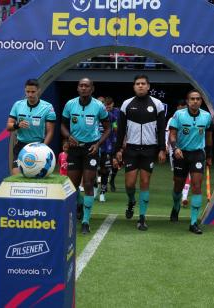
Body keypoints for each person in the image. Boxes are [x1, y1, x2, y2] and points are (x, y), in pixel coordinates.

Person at [115, 75, 167, 231]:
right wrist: (118, 149)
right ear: (134, 86)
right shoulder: (126, 104)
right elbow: (121, 130)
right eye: (137, 84)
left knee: (144, 183)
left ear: (148, 86)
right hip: (131, 149)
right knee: (129, 184)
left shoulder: (157, 104)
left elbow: (161, 129)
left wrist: (162, 149)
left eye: (143, 83)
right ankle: (131, 201)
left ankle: (142, 218)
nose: (140, 86)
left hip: (149, 149)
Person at [61, 78, 110, 234]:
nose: (83, 88)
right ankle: (80, 204)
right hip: (75, 149)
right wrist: (68, 137)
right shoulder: (70, 104)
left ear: (92, 88)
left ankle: (85, 222)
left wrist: (98, 145)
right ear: (77, 88)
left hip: (91, 149)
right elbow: (62, 125)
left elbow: (108, 129)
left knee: (88, 183)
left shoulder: (99, 106)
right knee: (72, 186)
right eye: (81, 86)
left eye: (86, 86)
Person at [168, 90, 213, 234]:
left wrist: (210, 156)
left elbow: (209, 137)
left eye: (198, 99)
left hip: (198, 154)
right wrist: (175, 148)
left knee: (196, 186)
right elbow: (172, 134)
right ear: (187, 101)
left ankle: (193, 222)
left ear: (201, 101)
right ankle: (176, 206)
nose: (195, 101)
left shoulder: (206, 116)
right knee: (178, 186)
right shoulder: (179, 115)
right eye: (192, 99)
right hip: (181, 154)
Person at [6, 79, 56, 175]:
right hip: (21, 146)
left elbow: (50, 132)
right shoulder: (18, 105)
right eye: (27, 92)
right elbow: (8, 126)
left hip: (38, 146)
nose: (30, 94)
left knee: (35, 177)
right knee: (17, 176)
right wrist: (18, 125)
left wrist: (43, 148)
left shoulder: (48, 107)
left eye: (33, 92)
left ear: (38, 91)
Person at [97, 97, 118, 202]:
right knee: (92, 170)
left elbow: (115, 128)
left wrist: (115, 127)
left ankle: (102, 192)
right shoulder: (92, 113)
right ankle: (94, 188)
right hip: (93, 146)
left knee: (104, 170)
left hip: (106, 146)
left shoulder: (111, 116)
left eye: (103, 104)